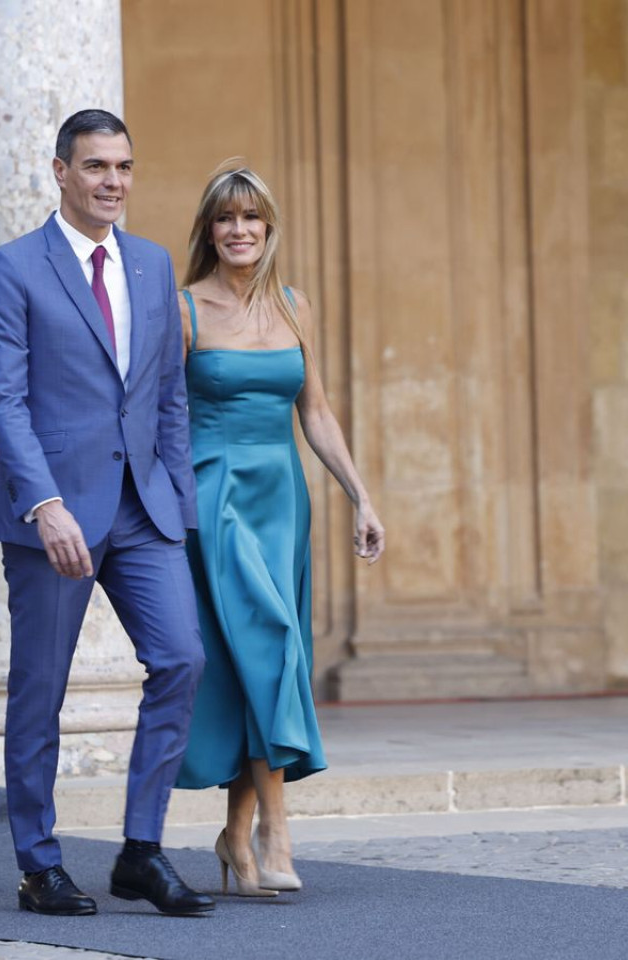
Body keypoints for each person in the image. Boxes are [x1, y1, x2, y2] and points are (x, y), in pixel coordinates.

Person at [0, 109, 213, 918]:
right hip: (54, 515)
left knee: (181, 658)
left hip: (145, 510)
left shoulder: (151, 264)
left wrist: (176, 504)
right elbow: (2, 401)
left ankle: (141, 851)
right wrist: (43, 504)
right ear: (61, 172)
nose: (114, 181)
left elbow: (168, 397)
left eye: (125, 167)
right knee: (40, 690)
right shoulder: (13, 268)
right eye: (97, 166)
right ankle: (39, 864)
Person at [174, 162, 385, 897]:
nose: (239, 231)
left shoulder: (295, 307)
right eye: (225, 219)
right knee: (268, 643)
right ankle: (278, 829)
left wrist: (361, 497)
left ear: (269, 229)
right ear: (208, 231)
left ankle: (234, 837)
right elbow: (158, 417)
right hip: (215, 497)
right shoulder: (184, 310)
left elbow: (316, 412)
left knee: (253, 662)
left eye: (251, 218)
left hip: (281, 502)